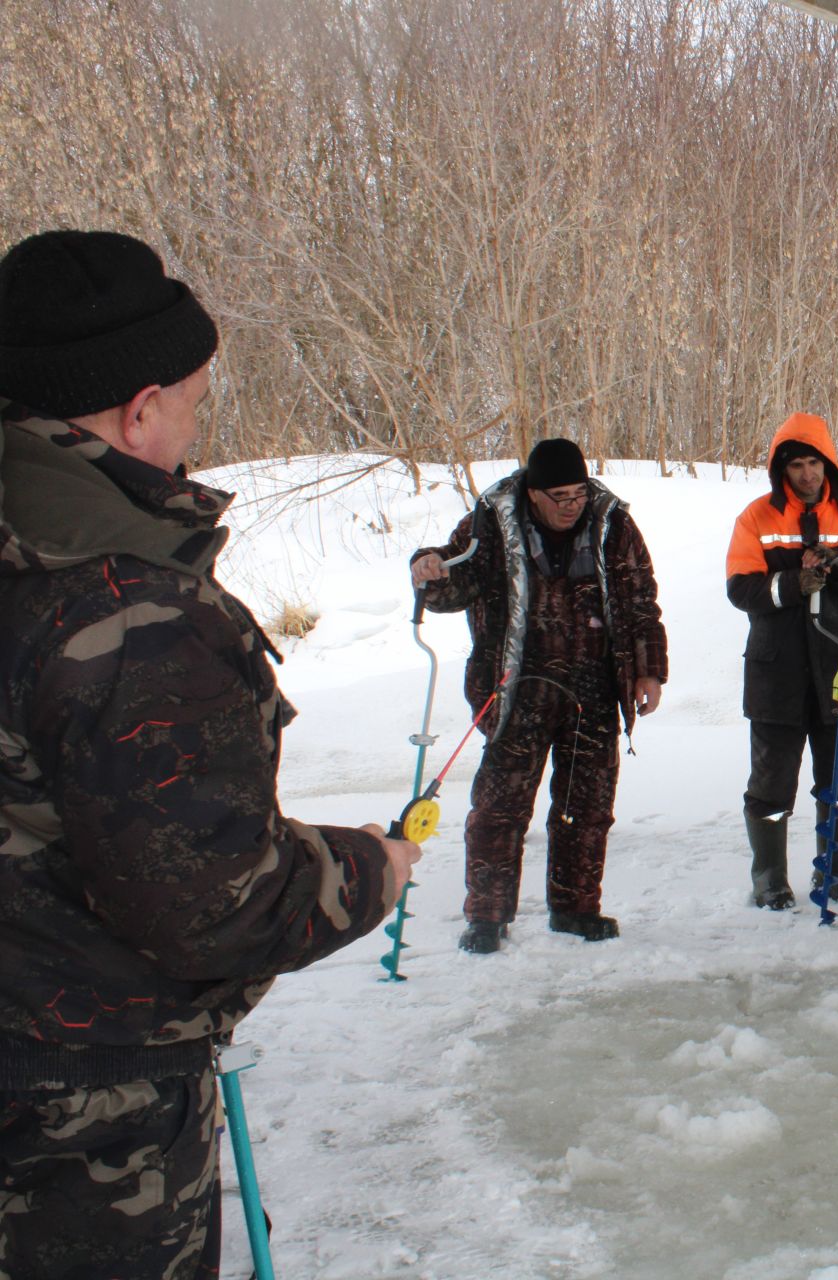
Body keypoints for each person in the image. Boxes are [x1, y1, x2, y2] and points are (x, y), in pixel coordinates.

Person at [0, 229, 419, 1276]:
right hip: (78, 1126)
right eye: (189, 396)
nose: (194, 422)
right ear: (139, 412)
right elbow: (214, 903)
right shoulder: (132, 611)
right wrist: (372, 866)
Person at [412, 437, 667, 952]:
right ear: (532, 494)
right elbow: (455, 581)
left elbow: (641, 600)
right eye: (560, 496)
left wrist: (649, 671)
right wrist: (429, 567)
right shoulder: (491, 522)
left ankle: (575, 909)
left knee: (586, 807)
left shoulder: (613, 522)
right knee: (499, 809)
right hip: (516, 688)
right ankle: (486, 917)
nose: (572, 505)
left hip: (593, 686)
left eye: (578, 493)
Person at [725, 412, 838, 909]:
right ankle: (770, 878)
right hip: (776, 674)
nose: (806, 474)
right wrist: (793, 585)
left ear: (829, 464)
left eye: (814, 463)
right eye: (796, 464)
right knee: (771, 783)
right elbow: (741, 589)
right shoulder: (756, 518)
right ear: (782, 469)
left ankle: (836, 871)